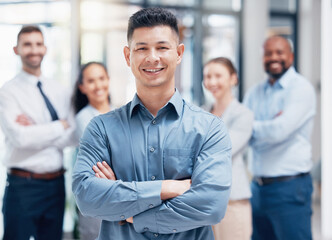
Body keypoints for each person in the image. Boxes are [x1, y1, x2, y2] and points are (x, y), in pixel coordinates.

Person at [72, 7, 232, 240]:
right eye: (142, 48)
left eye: (162, 47)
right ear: (128, 56)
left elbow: (211, 205)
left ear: (179, 53)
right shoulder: (101, 129)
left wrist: (129, 211)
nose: (152, 57)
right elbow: (87, 197)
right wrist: (167, 188)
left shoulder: (210, 129)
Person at [0, 25, 76, 240]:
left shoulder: (60, 90)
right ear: (16, 50)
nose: (34, 50)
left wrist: (36, 130)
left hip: (57, 185)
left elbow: (73, 136)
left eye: (38, 44)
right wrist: (59, 125)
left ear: (45, 49)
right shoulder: (7, 93)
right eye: (27, 44)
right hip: (23, 187)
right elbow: (20, 138)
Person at [243, 35, 316, 240]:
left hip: (290, 189)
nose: (273, 57)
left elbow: (279, 131)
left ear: (291, 57)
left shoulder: (301, 89)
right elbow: (242, 131)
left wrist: (254, 128)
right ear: (262, 58)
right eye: (268, 53)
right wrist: (265, 128)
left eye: (279, 52)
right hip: (258, 189)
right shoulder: (254, 92)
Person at [203, 57, 253, 240]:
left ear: (233, 78)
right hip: (203, 202)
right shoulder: (201, 113)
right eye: (208, 76)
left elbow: (223, 150)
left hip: (232, 201)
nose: (212, 82)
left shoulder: (243, 114)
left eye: (218, 76)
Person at [72, 62, 111, 240]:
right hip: (96, 196)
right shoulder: (83, 118)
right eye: (91, 81)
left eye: (101, 78)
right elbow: (103, 158)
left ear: (108, 80)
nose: (98, 86)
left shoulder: (122, 111)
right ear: (82, 87)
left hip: (121, 196)